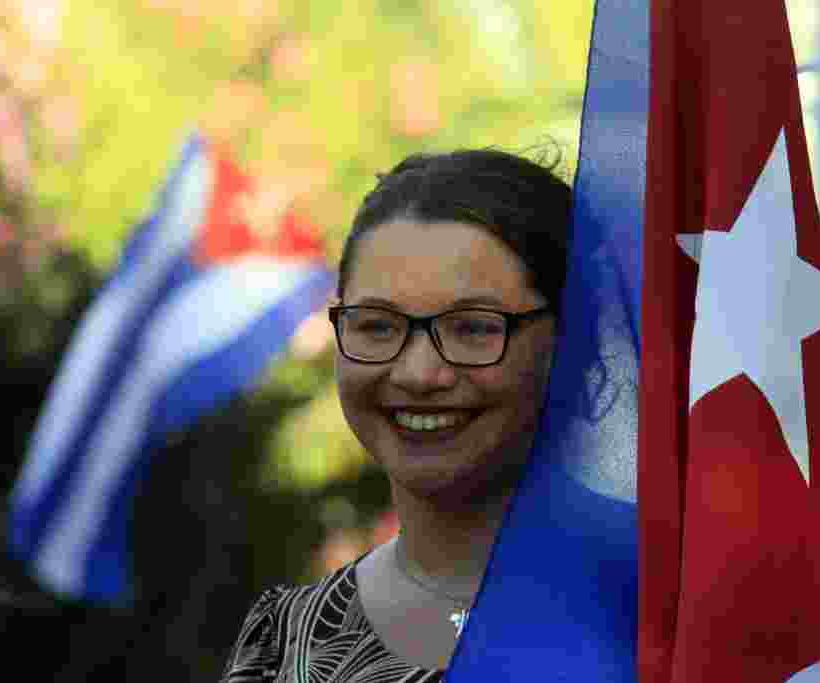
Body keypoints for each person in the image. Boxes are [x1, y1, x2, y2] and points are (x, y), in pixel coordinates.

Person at [220, 147, 572, 682]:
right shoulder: (289, 642)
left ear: (570, 337)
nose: (418, 373)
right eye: (378, 326)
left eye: (474, 328)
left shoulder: (677, 615)